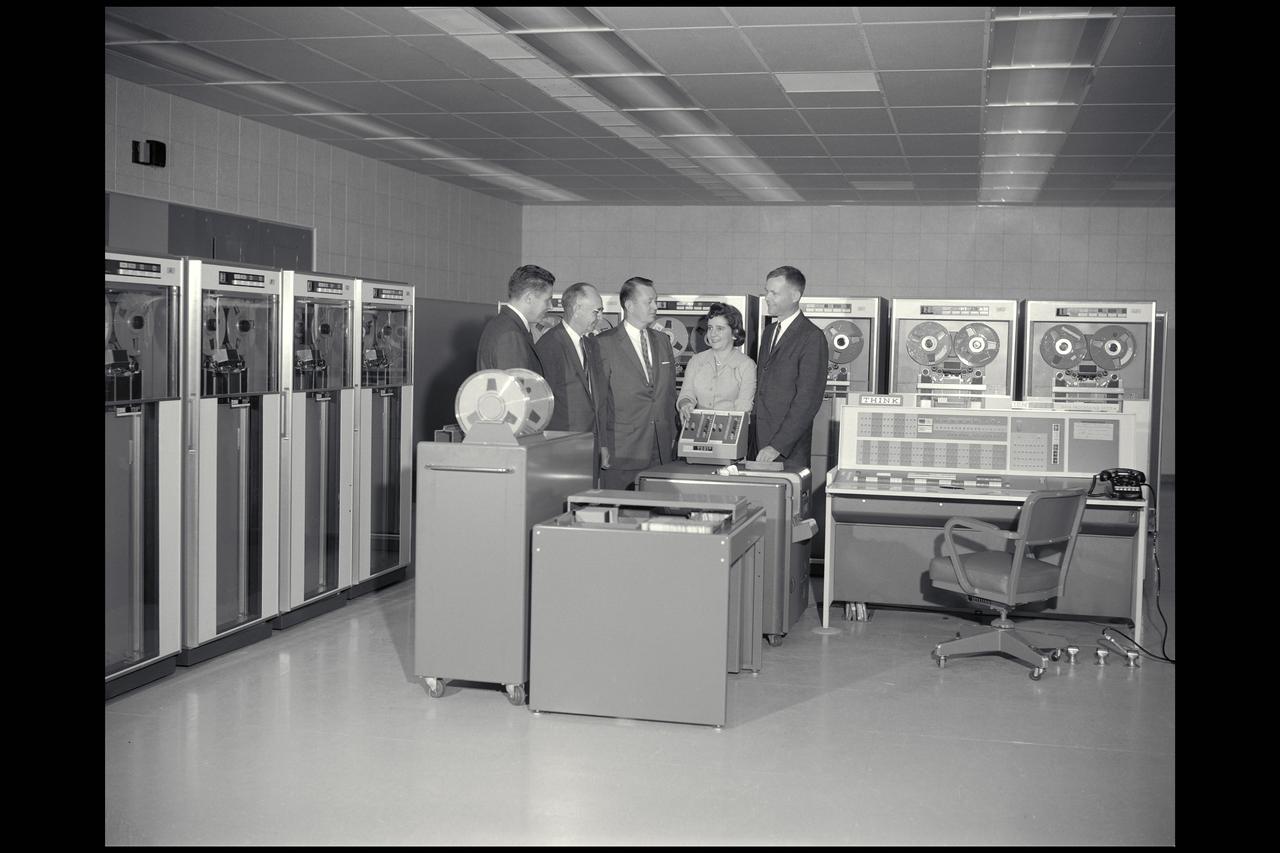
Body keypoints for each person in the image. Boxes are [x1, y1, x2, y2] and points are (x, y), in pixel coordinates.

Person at [593, 277, 678, 491]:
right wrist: (602, 444)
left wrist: (673, 434)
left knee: (658, 507)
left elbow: (668, 393)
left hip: (661, 448)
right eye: (649, 302)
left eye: (655, 301)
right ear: (629, 306)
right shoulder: (604, 343)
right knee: (623, 508)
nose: (655, 307)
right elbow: (599, 401)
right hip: (623, 449)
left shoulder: (663, 341)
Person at [753, 265, 829, 471]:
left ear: (795, 296)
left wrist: (776, 446)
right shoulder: (769, 332)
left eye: (774, 293)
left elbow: (807, 400)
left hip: (787, 450)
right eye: (767, 291)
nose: (767, 298)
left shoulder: (812, 337)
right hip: (759, 442)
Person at [535, 282, 605, 484]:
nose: (600, 317)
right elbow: (543, 404)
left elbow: (595, 398)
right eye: (596, 311)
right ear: (576, 309)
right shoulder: (550, 345)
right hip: (562, 447)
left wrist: (602, 444)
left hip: (589, 444)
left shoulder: (590, 344)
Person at [676, 302, 756, 429]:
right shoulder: (696, 361)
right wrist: (685, 404)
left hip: (730, 432)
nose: (712, 334)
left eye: (720, 328)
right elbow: (686, 393)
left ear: (735, 333)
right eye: (710, 328)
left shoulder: (747, 366)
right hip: (697, 429)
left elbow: (743, 409)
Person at [475, 264, 553, 373]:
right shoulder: (510, 335)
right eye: (547, 300)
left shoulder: (502, 324)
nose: (550, 306)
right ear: (529, 298)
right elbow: (515, 383)